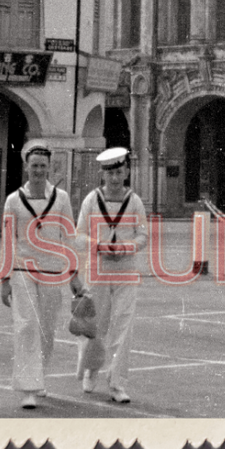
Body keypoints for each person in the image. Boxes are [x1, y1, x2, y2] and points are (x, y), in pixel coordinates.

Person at [1, 139, 81, 410]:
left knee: (46, 328)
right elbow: (8, 241)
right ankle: (29, 387)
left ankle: (39, 376)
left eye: (42, 166)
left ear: (49, 168)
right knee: (26, 326)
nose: (38, 170)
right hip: (23, 271)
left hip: (52, 271)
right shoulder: (13, 200)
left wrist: (74, 274)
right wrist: (4, 280)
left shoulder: (62, 198)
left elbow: (68, 238)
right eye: (33, 165)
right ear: (26, 168)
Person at [75, 147, 147, 404]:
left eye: (119, 172)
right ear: (102, 174)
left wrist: (128, 247)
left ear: (126, 171)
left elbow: (143, 235)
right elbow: (79, 235)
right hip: (98, 268)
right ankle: (90, 369)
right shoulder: (91, 200)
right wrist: (100, 246)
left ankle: (117, 382)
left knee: (123, 325)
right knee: (96, 323)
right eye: (110, 174)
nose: (115, 178)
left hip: (126, 269)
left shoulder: (134, 201)